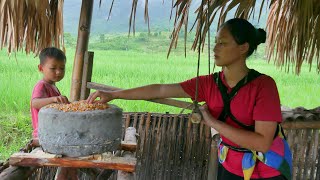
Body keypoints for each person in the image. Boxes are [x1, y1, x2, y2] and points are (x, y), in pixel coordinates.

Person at [87, 18, 292, 180]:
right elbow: (159, 90)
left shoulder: (264, 86)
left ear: (243, 47)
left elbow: (263, 143)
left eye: (223, 43)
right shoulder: (208, 83)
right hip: (230, 166)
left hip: (266, 170)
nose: (215, 48)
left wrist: (212, 122)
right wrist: (114, 95)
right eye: (216, 42)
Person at [30, 47, 77, 180]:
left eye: (62, 68)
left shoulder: (53, 87)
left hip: (54, 134)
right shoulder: (42, 86)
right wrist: (54, 99)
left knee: (72, 161)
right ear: (41, 68)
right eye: (53, 68)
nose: (58, 72)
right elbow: (35, 103)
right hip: (45, 136)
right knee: (70, 158)